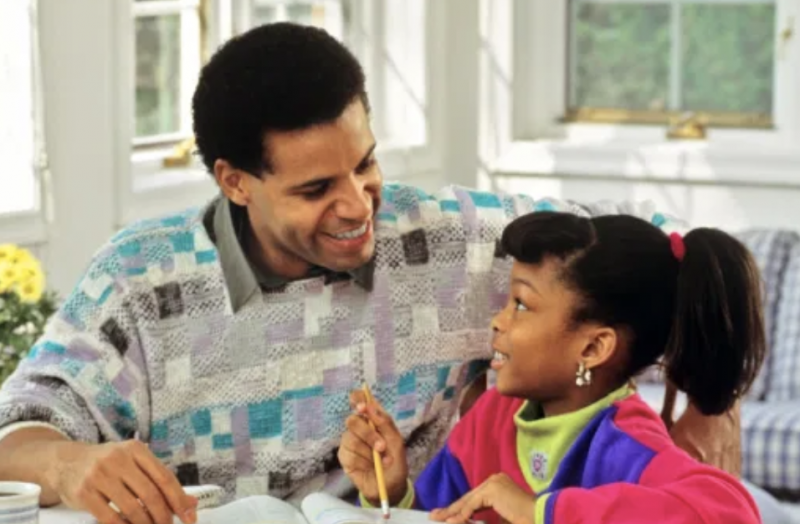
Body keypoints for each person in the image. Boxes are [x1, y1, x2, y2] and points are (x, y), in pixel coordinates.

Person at [0, 21, 788, 524]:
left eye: (366, 164)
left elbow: (657, 246)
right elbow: (20, 423)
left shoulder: (449, 239)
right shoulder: (139, 279)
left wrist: (711, 398)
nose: (357, 208)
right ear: (234, 181)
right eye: (314, 189)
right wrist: (68, 463)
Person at [339, 212, 766, 524]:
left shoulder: (627, 444)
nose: (498, 320)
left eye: (522, 305)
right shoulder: (491, 418)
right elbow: (438, 515)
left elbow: (732, 514)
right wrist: (394, 492)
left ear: (594, 347)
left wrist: (540, 512)